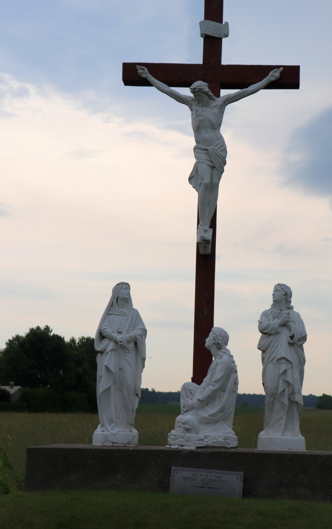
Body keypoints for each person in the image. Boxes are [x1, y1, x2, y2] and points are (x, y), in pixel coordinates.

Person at [136, 65, 283, 245]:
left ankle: (206, 223)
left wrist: (268, 79)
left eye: (199, 95)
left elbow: (247, 91)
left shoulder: (220, 103)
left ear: (206, 92)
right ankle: (203, 223)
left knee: (214, 184)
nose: (197, 98)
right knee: (205, 182)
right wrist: (148, 77)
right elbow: (168, 90)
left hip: (218, 147)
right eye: (195, 95)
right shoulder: (191, 104)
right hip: (201, 150)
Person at [168, 327, 239, 448]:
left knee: (186, 419)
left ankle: (190, 422)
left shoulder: (225, 361)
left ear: (216, 340)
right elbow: (205, 384)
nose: (207, 338)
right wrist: (193, 401)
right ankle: (188, 416)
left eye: (209, 336)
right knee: (187, 387)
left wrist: (195, 404)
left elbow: (214, 388)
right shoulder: (217, 361)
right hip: (208, 398)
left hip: (217, 404)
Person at [93, 282, 147, 441]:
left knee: (128, 385)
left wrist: (127, 338)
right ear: (116, 293)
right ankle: (110, 423)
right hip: (112, 354)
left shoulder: (134, 314)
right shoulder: (110, 314)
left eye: (129, 289)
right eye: (124, 289)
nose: (128, 292)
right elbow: (104, 329)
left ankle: (126, 424)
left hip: (128, 355)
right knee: (112, 387)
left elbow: (141, 331)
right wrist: (117, 338)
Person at [257, 284, 307, 438]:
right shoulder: (267, 313)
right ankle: (271, 428)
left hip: (290, 358)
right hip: (272, 356)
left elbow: (302, 335)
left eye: (277, 291)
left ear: (286, 295)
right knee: (271, 389)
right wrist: (279, 323)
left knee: (288, 391)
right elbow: (262, 327)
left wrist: (290, 326)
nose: (273, 293)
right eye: (274, 291)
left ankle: (288, 430)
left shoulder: (295, 316)